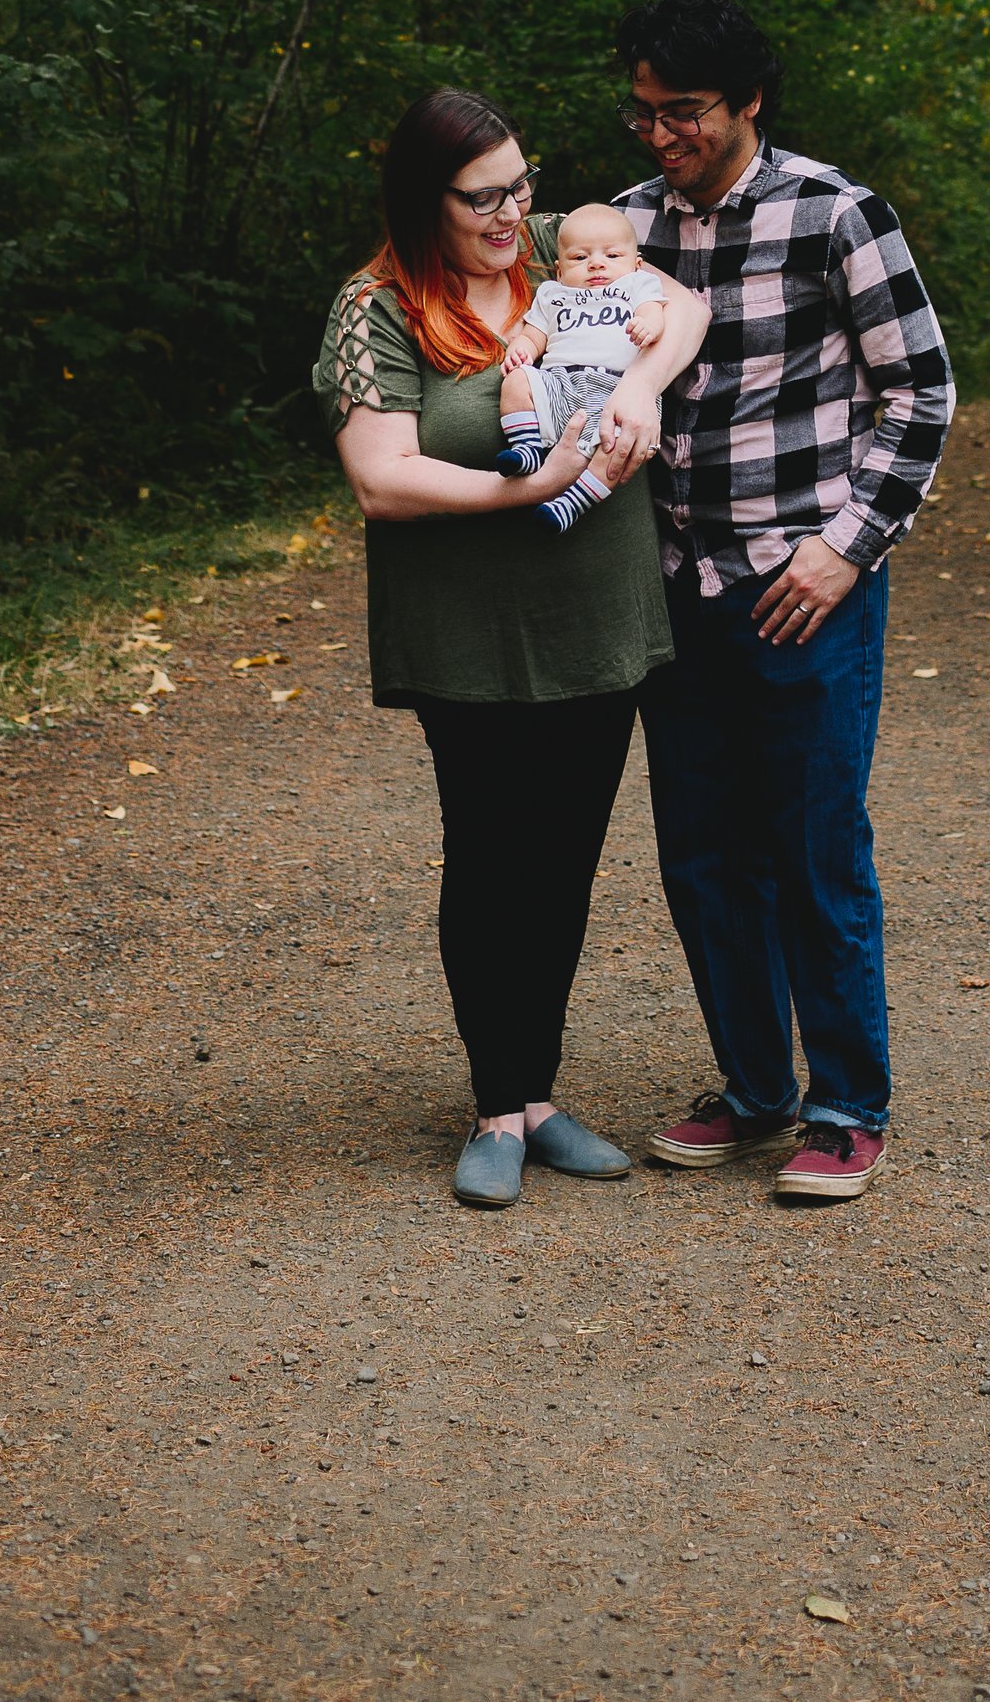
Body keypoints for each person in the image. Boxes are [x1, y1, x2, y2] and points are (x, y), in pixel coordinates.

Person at [312, 86, 709, 1211]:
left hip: (598, 615)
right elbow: (382, 477)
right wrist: (525, 484)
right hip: (469, 632)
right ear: (422, 197)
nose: (510, 212)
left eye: (520, 185)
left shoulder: (557, 248)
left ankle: (536, 1094)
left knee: (566, 859)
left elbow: (683, 305)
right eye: (484, 196)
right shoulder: (375, 303)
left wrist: (642, 378)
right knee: (492, 855)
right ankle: (495, 1106)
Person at [612, 0, 954, 1203]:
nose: (659, 138)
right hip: (673, 590)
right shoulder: (623, 232)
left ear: (748, 102)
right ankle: (756, 1091)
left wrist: (848, 546)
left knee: (813, 844)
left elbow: (920, 392)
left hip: (803, 587)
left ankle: (847, 1104)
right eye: (643, 113)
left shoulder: (833, 212)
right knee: (704, 854)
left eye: (684, 114)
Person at [497, 204, 677, 533]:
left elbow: (655, 313)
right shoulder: (552, 295)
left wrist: (649, 325)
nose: (596, 263)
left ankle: (573, 502)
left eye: (612, 256)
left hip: (618, 391)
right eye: (580, 258)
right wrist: (521, 350)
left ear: (636, 264)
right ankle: (527, 447)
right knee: (516, 380)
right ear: (559, 270)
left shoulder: (638, 286)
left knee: (617, 447)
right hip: (559, 383)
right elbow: (534, 334)